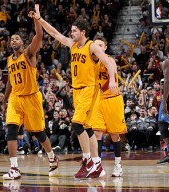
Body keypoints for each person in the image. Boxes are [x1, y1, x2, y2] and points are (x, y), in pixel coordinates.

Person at [33, 5, 119, 179]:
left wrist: (111, 80)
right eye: (71, 31)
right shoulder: (72, 44)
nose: (71, 33)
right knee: (87, 128)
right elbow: (55, 34)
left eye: (74, 31)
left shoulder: (92, 46)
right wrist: (39, 19)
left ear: (83, 32)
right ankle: (97, 165)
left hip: (89, 89)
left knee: (77, 124)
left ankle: (88, 160)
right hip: (77, 91)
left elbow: (109, 62)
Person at [2, 6, 58, 180]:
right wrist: (4, 100)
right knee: (11, 129)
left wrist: (36, 19)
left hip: (32, 98)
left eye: (16, 39)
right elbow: (10, 81)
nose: (13, 41)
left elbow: (39, 36)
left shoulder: (29, 53)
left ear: (22, 42)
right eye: (11, 39)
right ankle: (14, 168)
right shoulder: (10, 60)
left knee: (38, 133)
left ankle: (52, 158)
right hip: (15, 99)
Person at [92, 37, 127, 177]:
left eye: (101, 45)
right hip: (97, 101)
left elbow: (112, 68)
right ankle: (97, 165)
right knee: (97, 133)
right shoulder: (92, 62)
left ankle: (118, 165)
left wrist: (112, 80)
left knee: (114, 135)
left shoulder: (109, 59)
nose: (98, 48)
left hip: (112, 99)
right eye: (96, 45)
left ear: (105, 47)